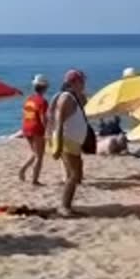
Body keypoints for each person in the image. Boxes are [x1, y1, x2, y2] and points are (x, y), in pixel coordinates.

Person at [49, 69, 91, 217]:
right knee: (73, 174)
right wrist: (58, 146)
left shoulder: (75, 97)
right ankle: (64, 207)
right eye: (82, 81)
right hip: (66, 140)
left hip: (73, 141)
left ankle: (67, 205)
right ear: (73, 82)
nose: (84, 83)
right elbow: (59, 122)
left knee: (77, 174)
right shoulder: (66, 98)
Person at [18, 74, 50, 186]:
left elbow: (25, 114)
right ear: (45, 87)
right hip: (37, 129)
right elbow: (43, 118)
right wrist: (48, 131)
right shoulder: (43, 101)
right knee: (39, 156)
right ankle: (35, 180)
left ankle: (23, 169)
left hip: (27, 127)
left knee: (35, 153)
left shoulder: (29, 99)